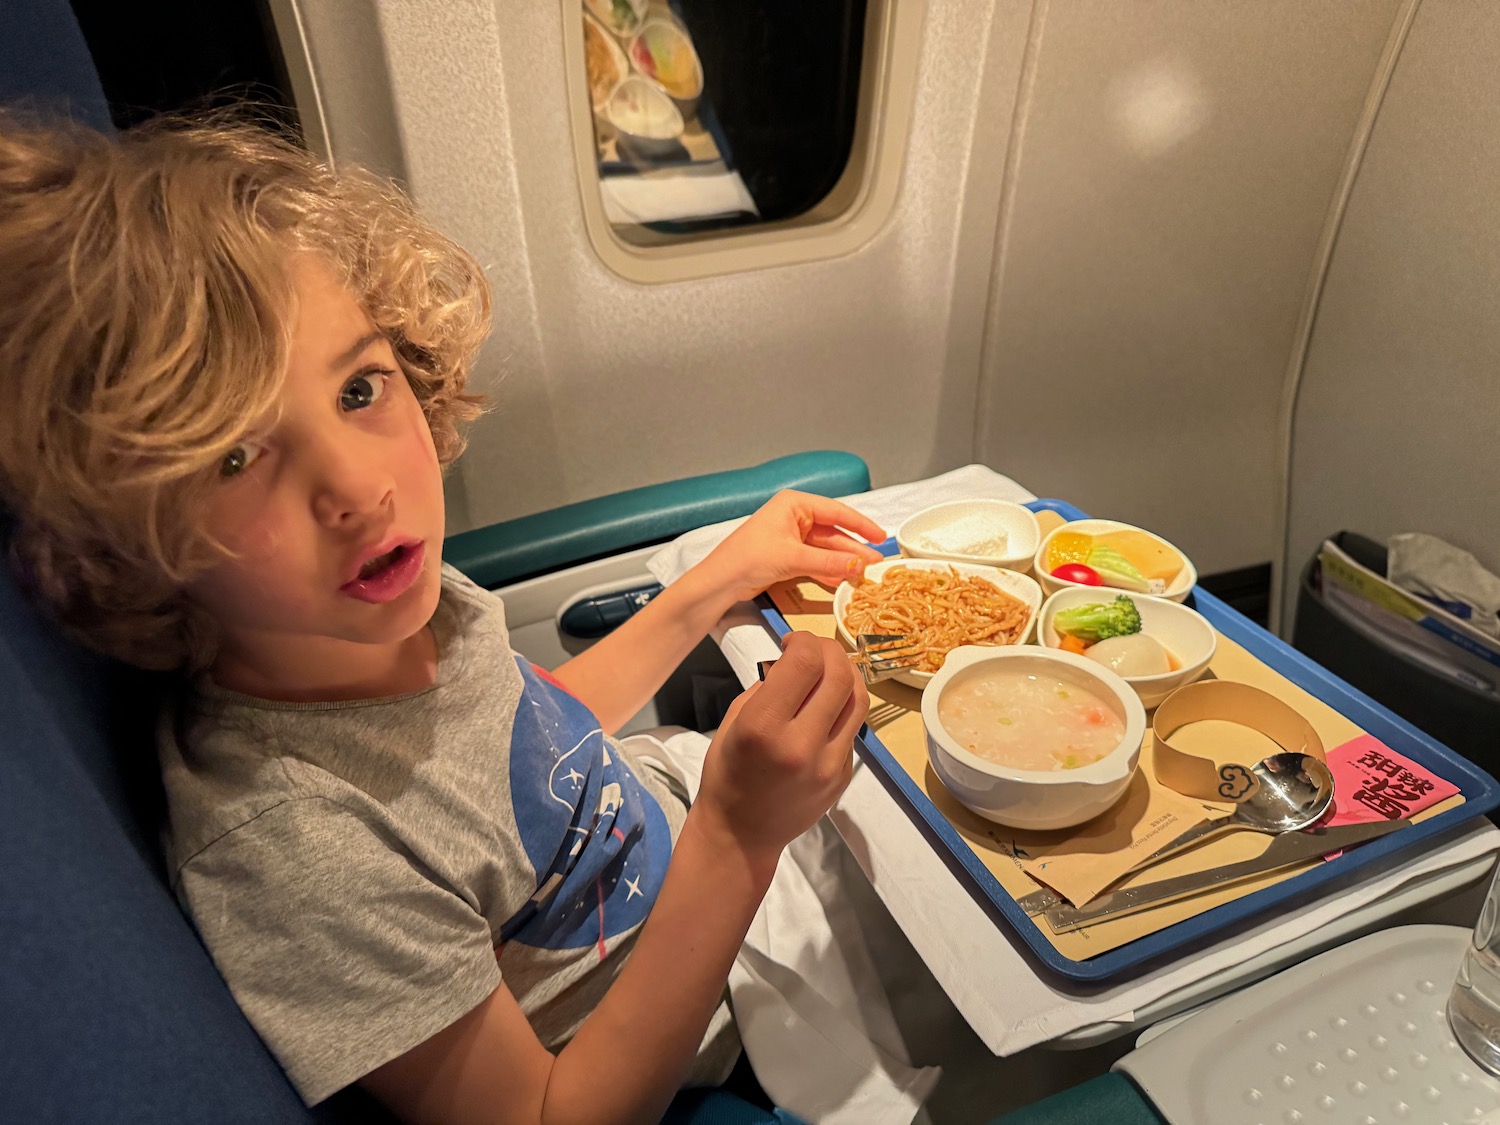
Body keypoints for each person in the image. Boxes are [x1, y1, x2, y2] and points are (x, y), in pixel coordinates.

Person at [0, 109, 889, 1123]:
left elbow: (527, 740)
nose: (358, 490)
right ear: (134, 532)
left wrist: (712, 584)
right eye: (234, 458)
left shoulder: (385, 609)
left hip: (696, 834)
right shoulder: (296, 846)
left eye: (359, 387)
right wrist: (736, 836)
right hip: (720, 995)